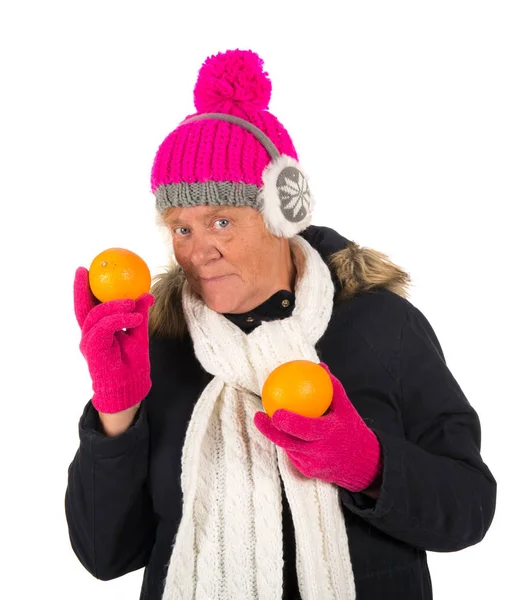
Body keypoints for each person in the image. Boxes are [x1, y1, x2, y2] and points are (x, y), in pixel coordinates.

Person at [65, 49, 496, 600]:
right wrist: (115, 409)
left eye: (221, 220)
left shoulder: (382, 327)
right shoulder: (161, 343)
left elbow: (470, 509)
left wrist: (368, 465)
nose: (199, 252)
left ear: (280, 214)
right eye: (181, 228)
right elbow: (105, 555)